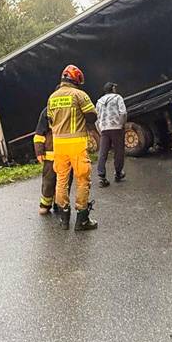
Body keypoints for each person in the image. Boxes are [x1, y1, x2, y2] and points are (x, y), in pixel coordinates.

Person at [47, 64, 99, 231]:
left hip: (59, 145)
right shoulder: (79, 94)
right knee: (82, 179)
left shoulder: (52, 98)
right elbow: (92, 115)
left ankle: (64, 218)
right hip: (76, 143)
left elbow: (50, 121)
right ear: (76, 80)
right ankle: (82, 219)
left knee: (61, 180)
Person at [33, 107, 70, 215]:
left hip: (67, 155)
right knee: (49, 181)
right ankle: (45, 205)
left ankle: (60, 203)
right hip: (51, 156)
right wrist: (39, 151)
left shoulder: (70, 109)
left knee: (65, 182)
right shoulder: (47, 111)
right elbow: (39, 134)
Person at [95, 82, 127, 188]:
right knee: (118, 152)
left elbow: (96, 119)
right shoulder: (118, 98)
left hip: (104, 129)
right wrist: (121, 124)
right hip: (116, 128)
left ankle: (101, 177)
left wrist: (101, 131)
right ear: (113, 88)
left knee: (103, 153)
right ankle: (118, 173)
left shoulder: (99, 102)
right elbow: (123, 113)